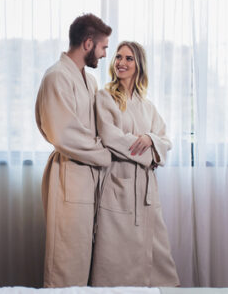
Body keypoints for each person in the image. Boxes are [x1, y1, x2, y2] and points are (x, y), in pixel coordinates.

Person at [90, 41, 179, 287]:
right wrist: (150, 152)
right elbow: (110, 137)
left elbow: (165, 140)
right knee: (116, 253)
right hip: (118, 183)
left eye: (129, 58)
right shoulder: (105, 97)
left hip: (147, 189)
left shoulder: (147, 106)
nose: (121, 62)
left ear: (138, 65)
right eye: (118, 57)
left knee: (157, 254)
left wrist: (150, 139)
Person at [35, 13, 113, 287]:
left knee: (88, 259)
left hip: (88, 176)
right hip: (68, 175)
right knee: (66, 261)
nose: (105, 55)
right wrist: (105, 154)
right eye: (103, 47)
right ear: (88, 43)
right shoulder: (56, 77)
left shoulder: (89, 82)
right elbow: (63, 132)